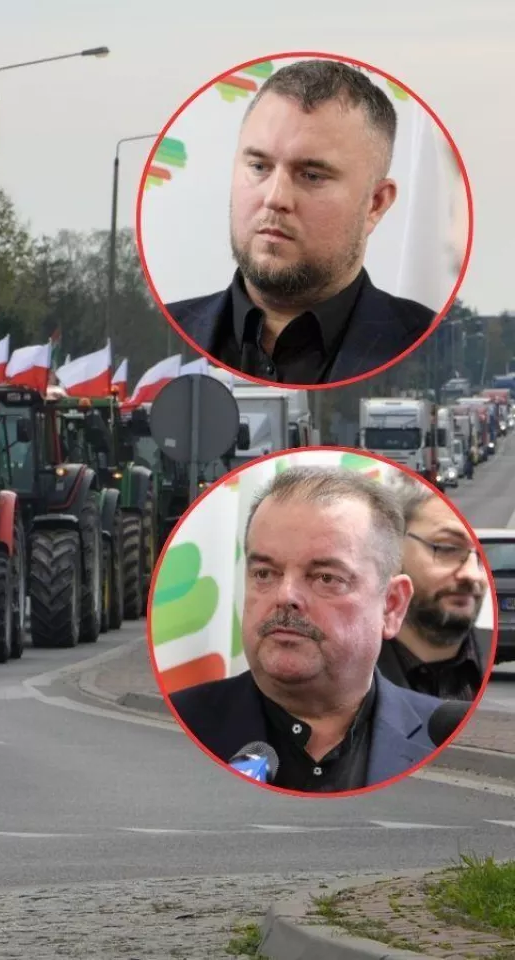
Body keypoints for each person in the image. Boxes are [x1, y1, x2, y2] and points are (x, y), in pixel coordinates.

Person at [168, 466, 444, 793]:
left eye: (326, 577)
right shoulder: (182, 724)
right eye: (265, 574)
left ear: (392, 606)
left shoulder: (440, 732)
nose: (285, 597)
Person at [164, 59, 437, 385]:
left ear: (375, 204)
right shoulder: (168, 335)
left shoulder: (424, 345)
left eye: (311, 175)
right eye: (259, 167)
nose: (275, 197)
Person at [379, 476, 490, 700]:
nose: (473, 575)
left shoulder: (490, 660)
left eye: (479, 556)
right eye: (447, 548)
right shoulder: (337, 678)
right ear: (391, 550)